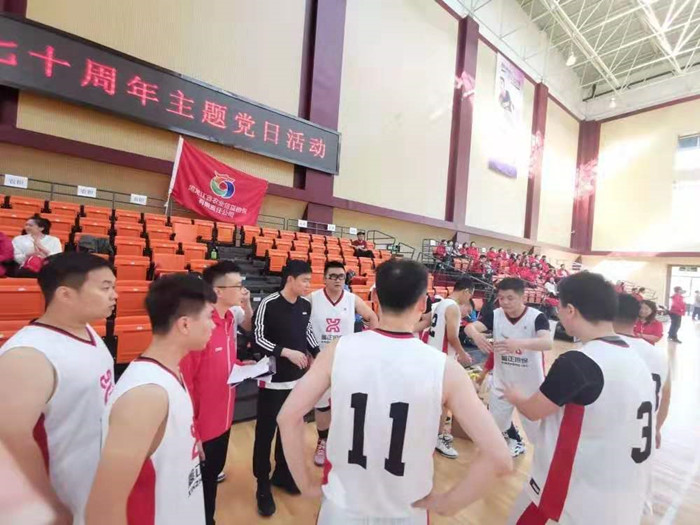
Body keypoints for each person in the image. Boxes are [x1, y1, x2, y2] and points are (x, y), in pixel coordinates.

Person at [277, 259, 512, 524]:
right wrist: (450, 503)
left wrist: (305, 484)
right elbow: (499, 457)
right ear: (422, 303)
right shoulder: (446, 369)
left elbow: (287, 417)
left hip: (342, 507)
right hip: (406, 512)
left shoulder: (337, 350)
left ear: (376, 297)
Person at [504, 272, 655, 525]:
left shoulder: (579, 362)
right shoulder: (637, 359)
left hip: (568, 499)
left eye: (560, 308)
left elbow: (533, 410)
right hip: (624, 496)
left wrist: (515, 395)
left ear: (570, 310)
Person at [86, 274, 216, 525]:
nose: (213, 326)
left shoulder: (171, 370)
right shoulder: (146, 395)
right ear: (185, 325)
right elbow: (103, 509)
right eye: (209, 317)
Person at [0, 253, 116, 525]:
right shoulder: (27, 355)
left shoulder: (87, 330)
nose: (115, 295)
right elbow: (8, 442)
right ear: (65, 294)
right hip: (53, 503)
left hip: (89, 488)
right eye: (105, 288)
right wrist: (48, 506)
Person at [179, 261, 254, 525]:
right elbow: (185, 384)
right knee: (200, 488)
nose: (242, 290)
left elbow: (225, 359)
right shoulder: (198, 326)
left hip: (224, 417)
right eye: (237, 285)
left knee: (211, 478)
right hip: (203, 427)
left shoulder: (229, 318)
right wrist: (193, 433)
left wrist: (242, 366)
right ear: (218, 291)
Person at [252, 260, 321, 516]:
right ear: (290, 279)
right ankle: (262, 484)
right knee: (265, 433)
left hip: (296, 381)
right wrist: (286, 352)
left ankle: (282, 474)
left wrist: (318, 355)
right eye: (304, 280)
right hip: (272, 381)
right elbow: (257, 338)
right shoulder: (268, 304)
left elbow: (308, 333)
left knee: (289, 429)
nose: (308, 285)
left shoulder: (305, 305)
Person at [465, 278, 552, 457]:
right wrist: (476, 335)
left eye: (510, 298)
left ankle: (545, 460)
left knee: (538, 433)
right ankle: (514, 441)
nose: (504, 302)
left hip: (530, 384)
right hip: (503, 381)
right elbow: (470, 328)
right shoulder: (496, 315)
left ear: (522, 297)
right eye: (501, 298)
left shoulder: (537, 317)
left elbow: (547, 342)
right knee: (495, 424)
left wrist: (519, 343)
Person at [308, 261, 378, 467]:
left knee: (345, 404)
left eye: (341, 276)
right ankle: (323, 441)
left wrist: (368, 344)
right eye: (333, 276)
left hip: (346, 360)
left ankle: (341, 442)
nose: (337, 280)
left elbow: (372, 317)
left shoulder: (352, 298)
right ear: (324, 278)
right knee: (322, 405)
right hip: (320, 360)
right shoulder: (312, 299)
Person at [426, 277, 475, 459]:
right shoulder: (453, 307)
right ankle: (438, 437)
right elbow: (452, 336)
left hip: (433, 355)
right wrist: (462, 354)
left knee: (437, 400)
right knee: (445, 401)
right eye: (470, 295)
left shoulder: (441, 303)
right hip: (443, 358)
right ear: (466, 292)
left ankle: (432, 434)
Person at [614, 294, 671, 448]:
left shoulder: (599, 350)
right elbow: (666, 397)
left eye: (647, 308)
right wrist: (656, 428)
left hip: (614, 433)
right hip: (642, 435)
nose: (644, 311)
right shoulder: (662, 358)